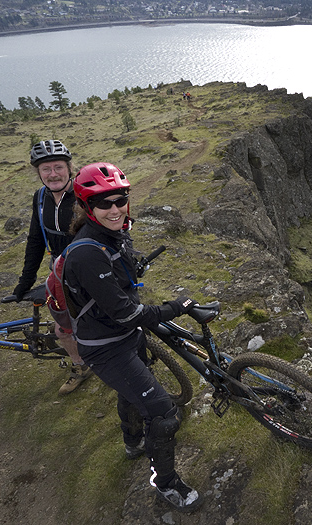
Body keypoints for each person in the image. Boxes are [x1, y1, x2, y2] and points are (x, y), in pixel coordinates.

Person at [63, 162, 203, 512]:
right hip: (107, 347)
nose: (114, 208)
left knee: (133, 391)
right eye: (103, 203)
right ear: (86, 207)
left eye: (120, 199)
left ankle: (132, 442)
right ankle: (166, 483)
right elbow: (126, 312)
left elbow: (120, 282)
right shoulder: (85, 253)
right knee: (164, 414)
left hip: (125, 336)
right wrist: (177, 307)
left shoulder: (114, 233)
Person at [13, 139, 93, 394]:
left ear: (69, 168)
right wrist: (24, 284)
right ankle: (81, 365)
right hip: (60, 271)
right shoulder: (40, 198)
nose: (52, 174)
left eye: (58, 167)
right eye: (45, 169)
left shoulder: (84, 193)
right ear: (38, 173)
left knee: (102, 319)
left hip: (91, 266)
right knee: (63, 328)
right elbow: (36, 241)